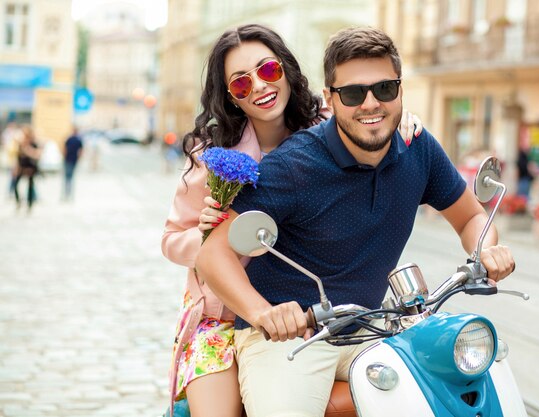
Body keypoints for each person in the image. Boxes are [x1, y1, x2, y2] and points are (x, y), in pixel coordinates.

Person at [195, 27, 515, 417]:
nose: (370, 104)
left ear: (400, 90)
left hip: (372, 323)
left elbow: (471, 217)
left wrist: (487, 247)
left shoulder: (419, 149)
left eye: (384, 89)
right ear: (330, 98)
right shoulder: (293, 165)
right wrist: (265, 313)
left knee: (448, 391)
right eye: (352, 93)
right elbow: (213, 255)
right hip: (291, 337)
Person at [161, 24, 422, 417]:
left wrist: (399, 122)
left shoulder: (326, 124)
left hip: (305, 313)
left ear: (284, 68)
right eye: (241, 84)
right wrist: (204, 234)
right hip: (221, 316)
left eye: (267, 71)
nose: (260, 88)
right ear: (231, 97)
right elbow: (170, 240)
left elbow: (371, 111)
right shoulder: (213, 157)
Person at [14, 125, 41, 212]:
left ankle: (29, 205)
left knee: (30, 187)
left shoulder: (34, 144)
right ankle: (19, 202)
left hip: (30, 168)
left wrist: (28, 150)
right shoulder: (21, 143)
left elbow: (37, 155)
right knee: (16, 185)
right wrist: (16, 168)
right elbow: (18, 157)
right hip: (22, 167)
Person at [62, 126, 84, 200]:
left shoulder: (75, 139)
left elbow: (81, 151)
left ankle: (68, 194)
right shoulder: (72, 139)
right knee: (69, 177)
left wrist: (78, 158)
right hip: (70, 159)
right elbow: (65, 148)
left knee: (68, 177)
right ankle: (67, 194)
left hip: (71, 160)